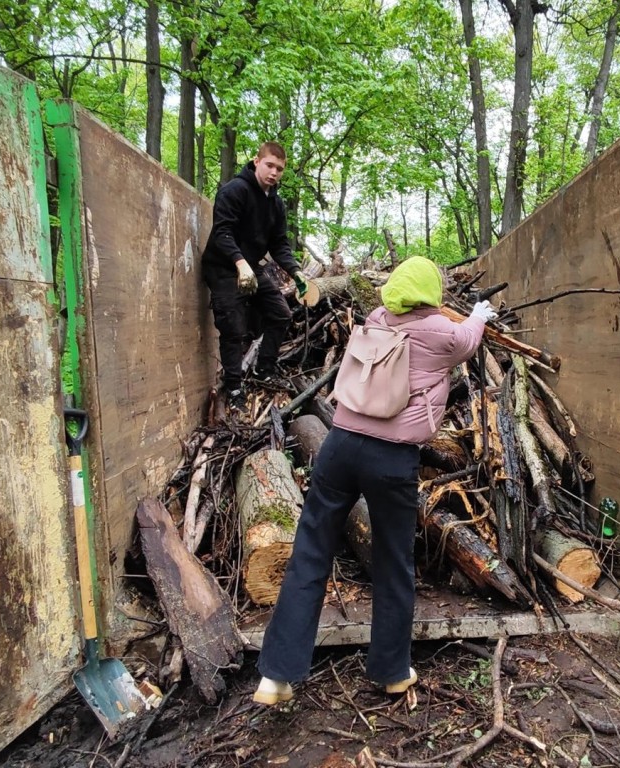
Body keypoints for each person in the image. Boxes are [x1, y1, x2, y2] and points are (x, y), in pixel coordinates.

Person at [253, 256, 498, 705]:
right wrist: (479, 314)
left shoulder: (376, 319)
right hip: (391, 459)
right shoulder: (442, 333)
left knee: (309, 553)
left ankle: (275, 675)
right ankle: (390, 671)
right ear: (431, 295)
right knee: (393, 563)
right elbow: (467, 340)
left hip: (339, 446)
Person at [202, 142, 309, 406]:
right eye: (269, 165)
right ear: (256, 161)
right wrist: (239, 263)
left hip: (250, 266)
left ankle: (265, 371)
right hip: (224, 268)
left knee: (281, 314)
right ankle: (235, 389)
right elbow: (222, 232)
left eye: (279, 169)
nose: (274, 172)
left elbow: (280, 244)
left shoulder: (276, 204)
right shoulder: (234, 191)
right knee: (233, 328)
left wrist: (296, 272)